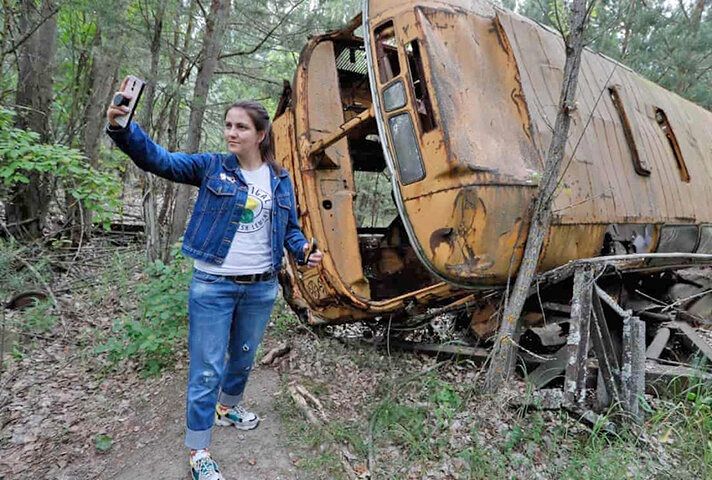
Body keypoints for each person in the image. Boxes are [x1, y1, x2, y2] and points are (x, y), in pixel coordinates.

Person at [106, 77, 323, 480]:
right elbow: (161, 160)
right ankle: (199, 450)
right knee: (206, 368)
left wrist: (303, 251)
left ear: (260, 134)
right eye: (227, 125)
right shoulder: (211, 167)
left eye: (240, 127)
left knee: (242, 357)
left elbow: (291, 229)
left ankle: (228, 407)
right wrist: (123, 127)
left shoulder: (279, 178)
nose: (231, 133)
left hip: (261, 286)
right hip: (213, 286)